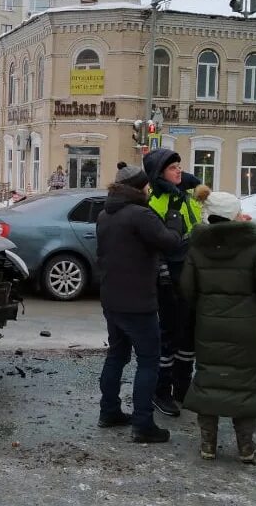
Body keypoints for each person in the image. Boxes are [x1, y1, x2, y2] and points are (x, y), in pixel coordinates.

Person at [178, 191, 256, 464]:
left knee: (209, 378)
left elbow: (187, 289)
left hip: (209, 325)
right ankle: (246, 447)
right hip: (247, 327)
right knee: (245, 382)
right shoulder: (253, 247)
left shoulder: (198, 247)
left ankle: (207, 444)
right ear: (234, 214)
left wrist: (205, 310)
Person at [95, 162, 183, 443]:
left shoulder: (104, 215)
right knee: (149, 361)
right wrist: (173, 218)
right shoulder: (140, 215)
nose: (148, 188)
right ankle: (143, 424)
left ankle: (109, 411)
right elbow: (170, 242)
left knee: (117, 355)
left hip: (112, 299)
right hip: (138, 303)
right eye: (145, 185)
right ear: (137, 187)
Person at [141, 148, 210, 417]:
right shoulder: (156, 202)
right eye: (172, 168)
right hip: (169, 279)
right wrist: (162, 273)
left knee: (189, 335)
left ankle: (183, 387)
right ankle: (162, 391)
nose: (179, 171)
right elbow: (152, 245)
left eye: (179, 166)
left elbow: (198, 230)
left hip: (192, 276)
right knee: (168, 336)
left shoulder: (188, 195)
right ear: (159, 173)